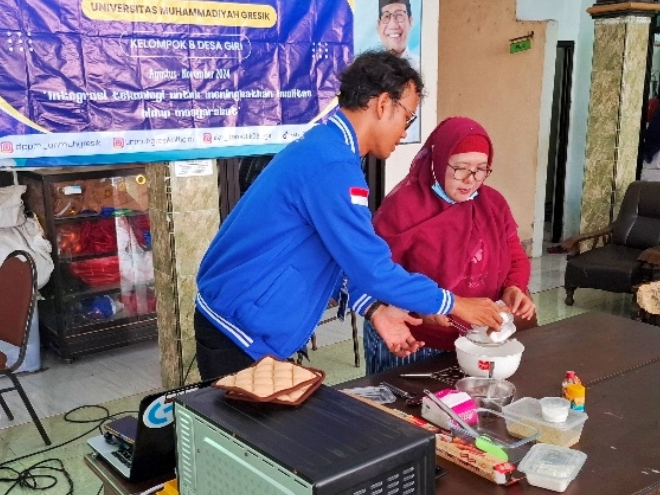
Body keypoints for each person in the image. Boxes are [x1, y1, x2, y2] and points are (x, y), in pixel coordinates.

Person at [194, 51, 506, 381]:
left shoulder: (329, 148)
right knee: (239, 430)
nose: (404, 131)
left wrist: (375, 310)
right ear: (383, 104)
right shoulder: (333, 166)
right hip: (238, 331)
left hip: (246, 322)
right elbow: (374, 269)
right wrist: (455, 303)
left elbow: (340, 255)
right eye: (408, 118)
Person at [363, 116, 536, 374]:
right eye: (461, 168)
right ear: (438, 162)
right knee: (399, 409)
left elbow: (515, 257)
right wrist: (422, 308)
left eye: (481, 169)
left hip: (476, 340)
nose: (470, 179)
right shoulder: (403, 207)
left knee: (466, 409)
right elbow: (374, 276)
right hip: (413, 340)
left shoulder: (492, 204)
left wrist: (514, 288)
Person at [376, 0, 419, 71]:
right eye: (386, 16)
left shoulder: (422, 66)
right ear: (378, 25)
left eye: (399, 15)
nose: (393, 25)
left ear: (410, 21)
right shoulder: (367, 70)